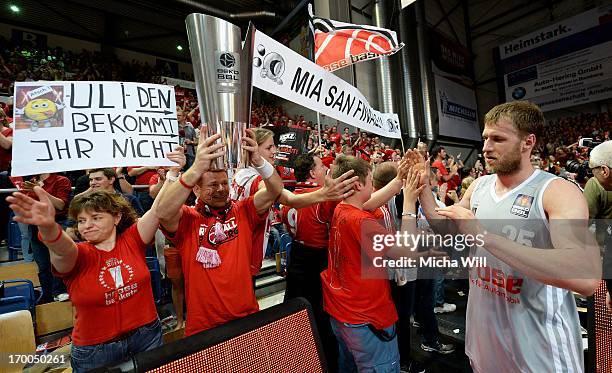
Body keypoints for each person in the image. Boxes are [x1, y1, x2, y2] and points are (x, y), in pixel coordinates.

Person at [413, 101, 601, 372]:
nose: (487, 147)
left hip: (539, 346)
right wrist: (421, 187)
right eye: (485, 138)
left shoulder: (557, 191)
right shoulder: (479, 186)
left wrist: (484, 236)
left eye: (498, 138)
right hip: (485, 338)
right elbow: (446, 230)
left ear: (528, 142)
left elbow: (584, 278)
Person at [155, 130, 285, 336]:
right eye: (213, 185)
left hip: (247, 317)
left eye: (225, 183)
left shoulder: (243, 210)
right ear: (196, 190)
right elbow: (161, 212)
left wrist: (259, 162)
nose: (221, 189)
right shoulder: (188, 219)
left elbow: (275, 190)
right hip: (205, 326)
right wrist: (196, 167)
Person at [321, 155, 442, 372]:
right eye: (370, 180)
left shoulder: (341, 208)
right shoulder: (362, 221)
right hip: (365, 317)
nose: (373, 185)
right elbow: (405, 251)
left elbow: (365, 202)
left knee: (348, 365)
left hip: (342, 312)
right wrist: (408, 201)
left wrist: (398, 181)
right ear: (358, 184)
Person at [75, 168, 144, 216]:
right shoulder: (87, 201)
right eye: (91, 180)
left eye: (98, 179)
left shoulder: (129, 199)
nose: (93, 182)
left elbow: (139, 223)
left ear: (111, 180)